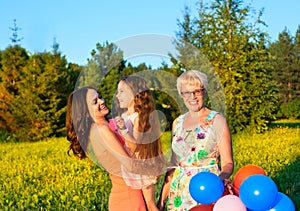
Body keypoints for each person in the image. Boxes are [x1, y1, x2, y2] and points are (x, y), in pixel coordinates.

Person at [157, 70, 234, 211]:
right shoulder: (177, 123)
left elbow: (228, 162)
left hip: (207, 189)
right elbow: (174, 165)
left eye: (197, 91)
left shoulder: (216, 120)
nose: (192, 97)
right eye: (187, 92)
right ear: (181, 95)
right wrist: (161, 202)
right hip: (179, 192)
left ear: (204, 92)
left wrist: (220, 180)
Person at [66, 86, 147, 211]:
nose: (101, 101)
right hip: (130, 198)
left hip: (124, 196)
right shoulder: (101, 130)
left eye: (100, 96)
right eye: (95, 101)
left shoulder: (100, 128)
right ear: (86, 111)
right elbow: (130, 165)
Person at [114, 75, 165, 211]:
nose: (118, 96)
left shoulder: (139, 117)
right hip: (131, 166)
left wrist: (123, 129)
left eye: (122, 91)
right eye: (117, 92)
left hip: (142, 167)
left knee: (150, 205)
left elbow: (135, 145)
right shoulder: (125, 116)